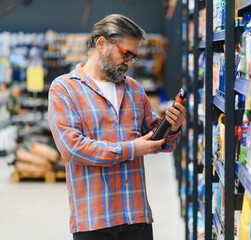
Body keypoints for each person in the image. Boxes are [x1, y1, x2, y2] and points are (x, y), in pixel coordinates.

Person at [48, 14, 185, 240]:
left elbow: (160, 143)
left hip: (136, 217)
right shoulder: (64, 89)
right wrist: (132, 149)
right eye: (126, 54)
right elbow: (72, 148)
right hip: (94, 221)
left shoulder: (133, 89)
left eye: (133, 57)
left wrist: (173, 128)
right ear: (101, 43)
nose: (128, 63)